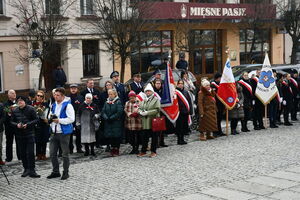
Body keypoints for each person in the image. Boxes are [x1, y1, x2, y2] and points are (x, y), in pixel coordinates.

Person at [47, 88, 75, 180]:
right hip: (54, 132)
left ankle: (65, 172)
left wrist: (59, 120)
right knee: (52, 153)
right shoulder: (53, 105)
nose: (55, 96)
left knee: (64, 154)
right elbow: (50, 115)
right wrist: (49, 119)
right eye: (55, 95)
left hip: (64, 133)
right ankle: (56, 171)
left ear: (63, 96)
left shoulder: (68, 105)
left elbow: (71, 119)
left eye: (58, 95)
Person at [11, 96, 40, 178]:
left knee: (30, 153)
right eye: (18, 101)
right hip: (19, 135)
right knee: (22, 153)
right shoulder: (15, 110)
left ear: (25, 101)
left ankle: (32, 170)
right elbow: (11, 121)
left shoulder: (31, 109)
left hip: (30, 134)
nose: (20, 102)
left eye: (21, 100)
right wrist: (17, 125)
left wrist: (28, 124)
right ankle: (26, 169)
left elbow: (36, 119)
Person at [138, 84, 161, 158]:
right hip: (145, 122)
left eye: (149, 91)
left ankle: (153, 151)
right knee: (145, 137)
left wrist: (148, 112)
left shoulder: (156, 100)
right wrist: (140, 112)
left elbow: (157, 109)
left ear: (152, 92)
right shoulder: (144, 100)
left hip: (153, 121)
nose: (148, 92)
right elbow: (139, 108)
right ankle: (143, 151)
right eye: (146, 91)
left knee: (154, 137)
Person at [101, 89, 124, 156]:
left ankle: (116, 149)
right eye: (109, 94)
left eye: (111, 94)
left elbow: (119, 112)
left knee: (116, 136)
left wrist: (112, 117)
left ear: (115, 94)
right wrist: (106, 117)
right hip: (108, 122)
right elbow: (103, 111)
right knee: (110, 137)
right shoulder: (106, 102)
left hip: (116, 122)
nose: (110, 95)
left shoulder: (118, 101)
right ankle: (112, 149)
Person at [32, 90, 50, 161]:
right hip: (36, 124)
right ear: (36, 96)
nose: (39, 97)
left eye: (41, 96)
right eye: (38, 95)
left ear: (43, 97)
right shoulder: (33, 104)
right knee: (37, 140)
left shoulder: (45, 104)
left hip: (44, 123)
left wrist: (44, 116)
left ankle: (43, 154)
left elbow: (48, 111)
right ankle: (38, 154)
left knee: (44, 140)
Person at [4, 89, 20, 162]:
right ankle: (9, 157)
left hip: (17, 125)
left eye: (15, 93)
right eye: (12, 93)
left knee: (19, 141)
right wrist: (9, 113)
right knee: (9, 142)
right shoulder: (5, 104)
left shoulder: (18, 103)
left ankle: (20, 156)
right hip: (9, 126)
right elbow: (4, 116)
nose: (14, 94)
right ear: (9, 95)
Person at [68, 84, 84, 154]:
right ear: (70, 89)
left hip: (78, 117)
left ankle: (79, 148)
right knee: (70, 134)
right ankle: (70, 148)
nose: (73, 90)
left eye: (74, 88)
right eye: (72, 88)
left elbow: (82, 107)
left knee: (78, 133)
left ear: (77, 89)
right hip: (70, 118)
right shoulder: (67, 98)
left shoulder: (80, 97)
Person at [152, 78, 168, 147]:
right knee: (156, 128)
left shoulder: (163, 91)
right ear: (154, 84)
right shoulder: (153, 92)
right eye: (157, 83)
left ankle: (162, 142)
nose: (158, 85)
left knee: (162, 128)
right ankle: (156, 143)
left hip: (163, 111)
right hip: (155, 112)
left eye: (159, 83)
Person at [176, 80, 192, 145]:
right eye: (179, 83)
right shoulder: (175, 92)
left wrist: (190, 111)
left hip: (185, 112)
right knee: (179, 127)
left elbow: (189, 101)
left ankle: (182, 139)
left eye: (182, 83)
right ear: (177, 84)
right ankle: (179, 140)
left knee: (184, 126)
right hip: (179, 112)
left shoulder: (186, 92)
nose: (181, 85)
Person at [211, 72, 226, 137]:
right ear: (217, 78)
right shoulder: (213, 85)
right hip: (215, 104)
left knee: (219, 118)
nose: (221, 79)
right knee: (215, 119)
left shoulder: (221, 84)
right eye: (220, 77)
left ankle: (220, 131)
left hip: (221, 104)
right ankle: (215, 132)